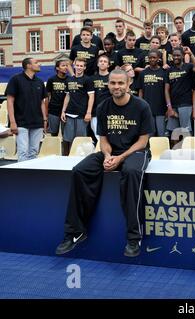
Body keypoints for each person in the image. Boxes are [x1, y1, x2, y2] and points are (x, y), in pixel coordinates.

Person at [55, 69, 155, 257]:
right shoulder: (102, 107)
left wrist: (120, 158)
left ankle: (134, 238)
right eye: (113, 83)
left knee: (131, 173)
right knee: (79, 170)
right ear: (108, 84)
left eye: (120, 83)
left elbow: (142, 141)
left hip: (137, 152)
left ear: (128, 85)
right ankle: (76, 232)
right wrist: (108, 155)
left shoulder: (141, 106)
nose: (116, 87)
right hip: (111, 151)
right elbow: (103, 139)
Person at [6, 58, 47, 162]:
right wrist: (12, 122)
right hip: (21, 122)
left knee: (34, 152)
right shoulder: (15, 79)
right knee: (23, 152)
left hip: (37, 122)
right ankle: (22, 177)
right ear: (28, 65)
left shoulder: (40, 81)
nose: (39, 64)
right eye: (36, 63)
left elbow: (42, 102)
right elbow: (10, 101)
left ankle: (31, 177)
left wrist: (45, 120)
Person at [61, 58, 95, 155]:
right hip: (69, 114)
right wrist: (63, 111)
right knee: (69, 140)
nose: (79, 67)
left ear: (84, 67)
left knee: (81, 141)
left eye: (81, 66)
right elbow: (67, 96)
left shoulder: (88, 80)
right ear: (74, 66)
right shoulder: (69, 80)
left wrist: (88, 113)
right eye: (77, 65)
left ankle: (80, 161)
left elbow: (91, 97)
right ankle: (69, 161)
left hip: (82, 114)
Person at [137, 49, 168, 137]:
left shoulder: (164, 72)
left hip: (161, 109)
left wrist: (168, 107)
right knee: (150, 136)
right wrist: (140, 106)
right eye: (150, 58)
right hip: (147, 109)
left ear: (158, 58)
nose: (152, 59)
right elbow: (141, 91)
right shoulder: (143, 73)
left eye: (154, 57)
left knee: (161, 135)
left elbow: (167, 91)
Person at [46, 59, 70, 137]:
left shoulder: (70, 80)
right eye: (63, 65)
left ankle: (65, 149)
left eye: (66, 65)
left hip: (66, 110)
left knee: (66, 134)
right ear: (57, 68)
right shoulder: (51, 80)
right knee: (53, 133)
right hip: (53, 110)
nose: (66, 67)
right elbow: (47, 96)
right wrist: (47, 111)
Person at [91, 55, 111, 141]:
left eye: (105, 61)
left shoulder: (112, 77)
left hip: (109, 111)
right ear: (98, 64)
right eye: (101, 61)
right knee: (98, 136)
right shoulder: (92, 79)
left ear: (108, 65)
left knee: (109, 136)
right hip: (95, 112)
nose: (102, 63)